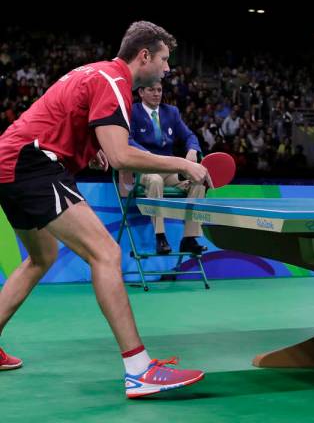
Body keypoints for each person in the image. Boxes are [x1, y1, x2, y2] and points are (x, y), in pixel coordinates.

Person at [0, 21, 210, 396]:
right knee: (106, 253)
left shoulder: (96, 72)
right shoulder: (114, 83)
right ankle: (139, 370)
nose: (167, 69)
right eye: (163, 60)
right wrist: (184, 164)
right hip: (33, 165)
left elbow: (71, 120)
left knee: (41, 256)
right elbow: (120, 155)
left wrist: (88, 146)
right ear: (144, 56)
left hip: (10, 161)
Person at [129, 82, 207, 255]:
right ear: (141, 92)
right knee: (155, 180)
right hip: (145, 169)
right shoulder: (132, 111)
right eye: (151, 89)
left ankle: (189, 238)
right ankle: (160, 237)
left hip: (169, 171)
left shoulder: (171, 112)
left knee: (198, 183)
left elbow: (189, 135)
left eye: (159, 90)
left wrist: (193, 149)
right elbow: (127, 140)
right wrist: (148, 155)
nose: (157, 94)